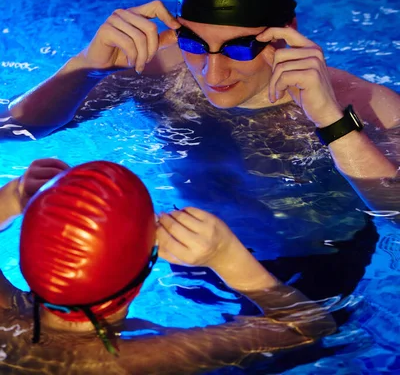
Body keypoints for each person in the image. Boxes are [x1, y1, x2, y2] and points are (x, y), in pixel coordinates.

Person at [1, 0, 399, 304]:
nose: (213, 72)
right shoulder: (157, 69)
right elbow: (13, 129)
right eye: (193, 41)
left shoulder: (368, 105)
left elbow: (395, 214)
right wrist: (84, 67)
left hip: (315, 264)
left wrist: (332, 121)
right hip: (192, 252)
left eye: (239, 48)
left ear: (287, 31)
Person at [0, 158, 335, 374]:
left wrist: (14, 196)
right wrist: (227, 255)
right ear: (142, 278)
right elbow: (310, 330)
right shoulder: (138, 361)